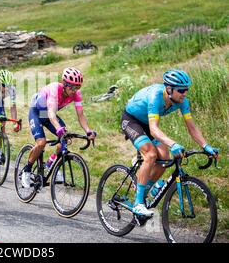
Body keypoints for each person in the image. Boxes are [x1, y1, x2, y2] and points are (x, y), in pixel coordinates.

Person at [121, 69, 219, 217]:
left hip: (147, 123)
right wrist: (173, 143)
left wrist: (205, 146)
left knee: (165, 158)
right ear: (169, 89)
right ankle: (138, 203)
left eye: (186, 89)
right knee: (151, 154)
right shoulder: (156, 96)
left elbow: (191, 128)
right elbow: (154, 130)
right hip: (131, 120)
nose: (185, 93)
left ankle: (143, 190)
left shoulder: (182, 102)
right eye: (181, 90)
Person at [21, 67, 97, 188]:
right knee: (41, 143)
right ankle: (27, 170)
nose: (74, 90)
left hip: (49, 114)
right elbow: (51, 113)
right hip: (36, 112)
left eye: (78, 87)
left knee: (65, 140)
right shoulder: (54, 89)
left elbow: (81, 115)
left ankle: (49, 164)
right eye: (72, 87)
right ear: (64, 84)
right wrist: (58, 128)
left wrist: (88, 130)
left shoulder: (76, 94)